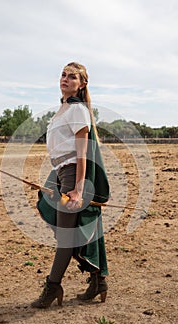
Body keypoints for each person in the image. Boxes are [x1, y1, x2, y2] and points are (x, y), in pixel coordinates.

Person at [31, 62, 110, 308]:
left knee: (67, 235)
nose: (65, 79)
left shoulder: (77, 110)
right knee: (70, 229)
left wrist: (77, 188)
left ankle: (53, 287)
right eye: (63, 75)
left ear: (82, 83)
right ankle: (99, 281)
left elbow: (83, 153)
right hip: (60, 173)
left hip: (73, 174)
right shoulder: (63, 109)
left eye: (72, 76)